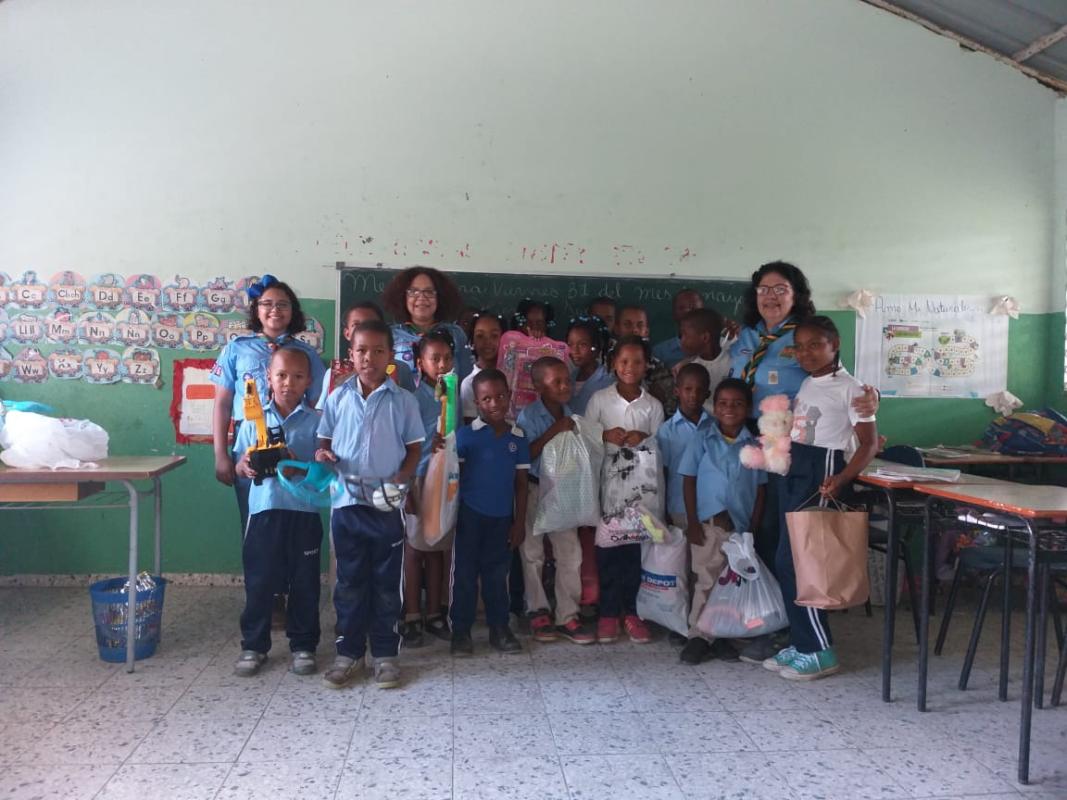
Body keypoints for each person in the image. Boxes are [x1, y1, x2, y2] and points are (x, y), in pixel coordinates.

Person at [728, 261, 877, 663]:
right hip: (756, 449)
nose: (770, 296)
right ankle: (787, 629)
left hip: (803, 457)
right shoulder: (746, 337)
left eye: (780, 289)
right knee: (765, 539)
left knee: (794, 548)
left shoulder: (806, 337)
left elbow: (845, 394)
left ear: (797, 296)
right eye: (763, 288)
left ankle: (801, 639)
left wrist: (868, 399)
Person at [764, 316, 877, 681]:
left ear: (836, 344)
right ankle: (801, 641)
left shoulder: (853, 389)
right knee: (786, 559)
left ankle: (819, 651)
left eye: (816, 344)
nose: (807, 353)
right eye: (801, 346)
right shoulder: (811, 383)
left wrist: (842, 478)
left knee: (804, 562)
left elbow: (869, 443)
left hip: (822, 474)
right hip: (797, 471)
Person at [315, 319, 423, 690]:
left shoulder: (404, 401)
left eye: (379, 351)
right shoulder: (336, 398)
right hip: (346, 503)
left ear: (391, 357)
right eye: (362, 350)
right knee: (349, 581)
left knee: (385, 582)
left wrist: (402, 479)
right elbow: (324, 443)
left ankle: (385, 654)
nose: (369, 358)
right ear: (351, 354)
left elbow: (414, 449)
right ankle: (348, 653)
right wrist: (323, 454)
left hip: (385, 504)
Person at [232, 347, 324, 677]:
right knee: (259, 581)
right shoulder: (252, 419)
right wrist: (245, 466)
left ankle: (303, 645)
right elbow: (241, 463)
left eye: (298, 377)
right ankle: (254, 645)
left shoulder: (316, 421)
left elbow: (323, 470)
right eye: (281, 375)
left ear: (309, 381)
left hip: (303, 512)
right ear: (268, 378)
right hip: (264, 513)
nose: (288, 383)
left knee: (305, 582)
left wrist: (299, 465)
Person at [212, 275, 325, 534]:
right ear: (256, 309)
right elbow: (222, 404)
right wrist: (220, 456)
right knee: (254, 521)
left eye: (283, 304)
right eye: (267, 303)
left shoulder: (306, 354)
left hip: (295, 440)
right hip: (249, 442)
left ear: (293, 311)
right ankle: (259, 574)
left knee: (297, 517)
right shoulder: (236, 349)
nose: (275, 310)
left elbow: (319, 403)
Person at [676, 377, 767, 664]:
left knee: (731, 585)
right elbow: (688, 479)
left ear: (749, 409)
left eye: (738, 404)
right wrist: (692, 521)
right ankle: (699, 636)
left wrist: (753, 527)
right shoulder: (703, 437)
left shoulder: (755, 445)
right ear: (714, 406)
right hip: (707, 526)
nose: (730, 409)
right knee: (705, 580)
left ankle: (723, 636)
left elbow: (761, 489)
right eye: (723, 403)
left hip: (740, 529)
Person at [584, 335, 664, 643]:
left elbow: (661, 446)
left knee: (634, 553)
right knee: (607, 552)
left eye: (638, 362)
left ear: (647, 366)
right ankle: (607, 614)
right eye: (624, 361)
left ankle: (631, 612)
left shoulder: (652, 405)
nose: (630, 368)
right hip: (609, 491)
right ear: (614, 364)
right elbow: (587, 438)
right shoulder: (600, 400)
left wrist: (643, 437)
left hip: (641, 494)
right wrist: (606, 435)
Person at [516, 357, 596, 644]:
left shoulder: (571, 413)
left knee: (570, 553)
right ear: (538, 386)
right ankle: (537, 610)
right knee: (533, 553)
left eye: (567, 380)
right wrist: (554, 430)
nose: (565, 387)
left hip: (564, 491)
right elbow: (525, 455)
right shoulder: (528, 417)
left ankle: (568, 615)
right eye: (556, 382)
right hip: (536, 490)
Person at [450, 369, 529, 655]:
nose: (494, 403)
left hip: (501, 520)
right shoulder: (465, 437)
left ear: (509, 396)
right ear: (477, 402)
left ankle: (500, 629)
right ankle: (461, 632)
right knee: (465, 576)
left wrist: (518, 522)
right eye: (486, 398)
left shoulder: (518, 438)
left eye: (500, 396)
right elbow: (451, 478)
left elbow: (521, 485)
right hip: (470, 517)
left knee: (498, 577)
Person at [402, 328, 457, 647]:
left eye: (447, 358)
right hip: (419, 478)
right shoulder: (412, 397)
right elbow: (404, 441)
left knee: (439, 546)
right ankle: (411, 614)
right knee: (414, 547)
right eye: (435, 359)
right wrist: (409, 485)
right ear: (420, 363)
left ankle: (435, 611)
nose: (442, 364)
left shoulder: (451, 393)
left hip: (447, 480)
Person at [317, 301, 414, 409]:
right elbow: (323, 413)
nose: (365, 330)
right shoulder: (333, 373)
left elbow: (410, 408)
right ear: (347, 333)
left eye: (372, 324)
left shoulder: (401, 369)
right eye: (356, 325)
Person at [381, 266, 473, 380]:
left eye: (429, 292)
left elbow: (467, 381)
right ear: (403, 297)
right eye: (414, 291)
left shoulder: (455, 334)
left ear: (440, 297)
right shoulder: (391, 336)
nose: (421, 297)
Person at [615, 305, 675, 416]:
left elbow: (670, 409)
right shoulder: (605, 363)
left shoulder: (658, 368)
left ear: (646, 331)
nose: (634, 330)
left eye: (640, 325)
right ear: (617, 329)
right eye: (627, 325)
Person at [675, 308, 731, 413]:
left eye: (684, 335)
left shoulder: (733, 362)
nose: (681, 340)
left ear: (705, 337)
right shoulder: (688, 369)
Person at [460, 309, 507, 424]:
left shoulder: (512, 376)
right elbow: (471, 428)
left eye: (494, 336)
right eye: (480, 336)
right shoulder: (469, 383)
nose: (487, 342)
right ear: (472, 341)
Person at [565, 315, 614, 415]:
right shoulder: (570, 377)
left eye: (582, 344)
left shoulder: (608, 382)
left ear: (596, 347)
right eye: (570, 344)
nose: (574, 351)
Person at [653, 288, 704, 368]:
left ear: (703, 312)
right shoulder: (660, 352)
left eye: (693, 308)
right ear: (674, 314)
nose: (687, 312)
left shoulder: (720, 345)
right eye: (681, 308)